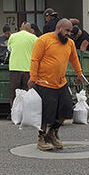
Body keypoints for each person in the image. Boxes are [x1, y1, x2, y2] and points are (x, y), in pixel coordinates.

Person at [29, 19, 85, 151]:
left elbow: (74, 58)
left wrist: (79, 73)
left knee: (66, 109)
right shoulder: (43, 40)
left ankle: (52, 133)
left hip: (61, 83)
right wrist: (33, 78)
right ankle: (41, 139)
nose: (69, 34)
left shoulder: (70, 43)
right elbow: (35, 59)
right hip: (44, 83)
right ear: (59, 28)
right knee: (46, 113)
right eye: (67, 30)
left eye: (71, 31)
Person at [7, 22, 37, 108]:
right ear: (30, 30)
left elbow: (9, 50)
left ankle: (14, 112)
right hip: (28, 69)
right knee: (27, 93)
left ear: (21, 28)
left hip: (14, 68)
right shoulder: (34, 38)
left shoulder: (12, 36)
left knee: (14, 94)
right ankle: (25, 112)